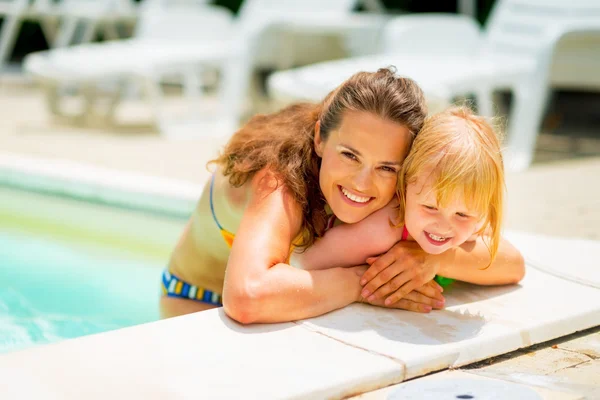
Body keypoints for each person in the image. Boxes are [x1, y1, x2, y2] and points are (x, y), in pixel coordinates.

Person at [159, 67, 521, 323]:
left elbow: (510, 262)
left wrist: (434, 260)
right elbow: (247, 297)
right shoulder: (279, 179)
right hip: (197, 300)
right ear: (319, 139)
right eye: (349, 155)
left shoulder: (408, 188)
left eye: (386, 167)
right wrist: (366, 283)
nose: (363, 183)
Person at [294, 106, 525, 312]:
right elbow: (301, 264)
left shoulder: (465, 215)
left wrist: (436, 261)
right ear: (403, 188)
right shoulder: (382, 229)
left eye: (462, 214)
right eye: (430, 207)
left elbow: (514, 266)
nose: (443, 226)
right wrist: (375, 281)